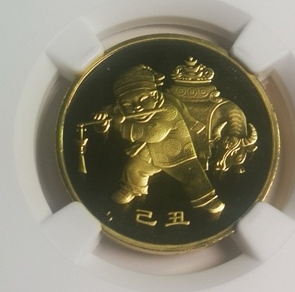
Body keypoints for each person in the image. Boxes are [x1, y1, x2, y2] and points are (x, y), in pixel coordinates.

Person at [92, 64, 225, 217]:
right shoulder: (120, 111)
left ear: (155, 96)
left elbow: (153, 134)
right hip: (149, 151)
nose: (137, 107)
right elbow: (109, 113)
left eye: (143, 99)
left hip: (176, 151)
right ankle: (132, 189)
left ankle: (208, 200)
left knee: (192, 175)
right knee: (134, 168)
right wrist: (102, 121)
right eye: (127, 104)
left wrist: (120, 125)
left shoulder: (167, 110)